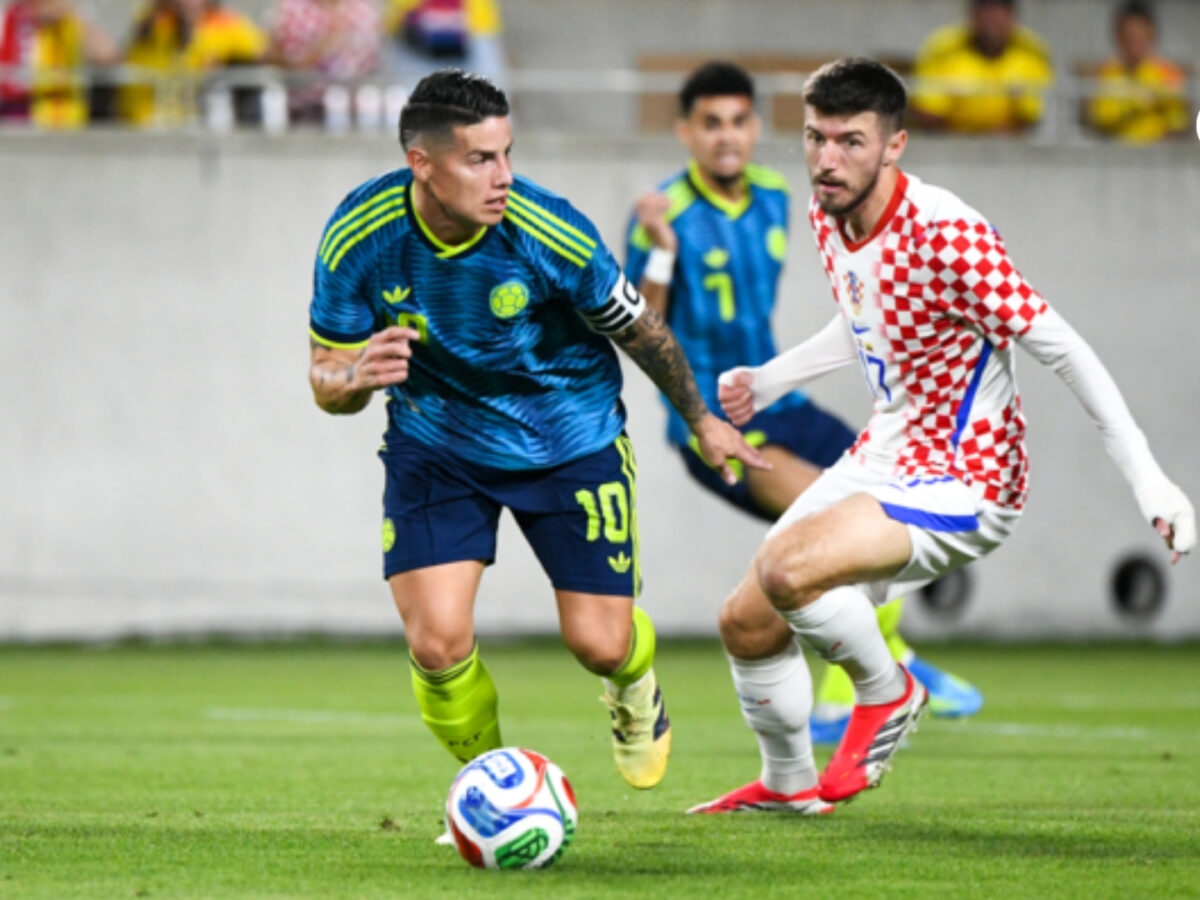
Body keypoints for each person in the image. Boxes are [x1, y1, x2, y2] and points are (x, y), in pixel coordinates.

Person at [690, 57, 1194, 815]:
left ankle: (888, 691)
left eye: (851, 142)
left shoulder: (946, 230)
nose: (827, 160)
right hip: (886, 453)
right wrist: (771, 379)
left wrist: (1147, 476)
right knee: (746, 617)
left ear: (895, 145)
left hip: (969, 475)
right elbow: (866, 317)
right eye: (815, 138)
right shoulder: (829, 208)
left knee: (791, 572)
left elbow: (1061, 345)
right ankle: (789, 785)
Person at [307, 70, 764, 809]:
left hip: (569, 438)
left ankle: (632, 683)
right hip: (437, 444)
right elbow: (325, 377)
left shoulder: (549, 230)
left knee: (600, 645)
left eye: (508, 154)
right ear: (422, 164)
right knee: (436, 643)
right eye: (481, 159)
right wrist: (355, 376)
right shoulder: (360, 236)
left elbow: (639, 330)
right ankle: (490, 789)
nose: (504, 178)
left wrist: (701, 418)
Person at [623, 60, 982, 746]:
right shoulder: (662, 213)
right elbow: (644, 329)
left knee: (897, 494)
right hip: (715, 424)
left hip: (779, 402)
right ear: (685, 133)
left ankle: (893, 663)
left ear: (757, 128)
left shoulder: (778, 196)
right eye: (710, 124)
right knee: (836, 538)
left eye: (737, 121)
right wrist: (663, 253)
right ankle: (842, 701)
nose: (726, 137)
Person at [911, 0, 1053, 134]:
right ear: (971, 13)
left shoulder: (1032, 52)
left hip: (1014, 150)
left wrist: (994, 141)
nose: (992, 16)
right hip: (950, 147)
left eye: (999, 7)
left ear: (1012, 15)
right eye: (984, 7)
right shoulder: (941, 50)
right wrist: (966, 143)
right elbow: (928, 113)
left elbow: (1032, 117)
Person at [121, 0, 265, 127]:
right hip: (150, 120)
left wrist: (225, 64)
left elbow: (260, 53)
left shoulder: (227, 22)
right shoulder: (154, 22)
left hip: (201, 120)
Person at [0, 0, 117, 128]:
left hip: (64, 117)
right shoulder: (12, 13)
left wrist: (72, 16)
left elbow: (106, 55)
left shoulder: (72, 16)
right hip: (15, 113)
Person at [1086, 0, 1189, 144]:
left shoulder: (1168, 73)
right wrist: (1139, 103)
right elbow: (1100, 120)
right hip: (1115, 155)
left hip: (1160, 157)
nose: (1134, 45)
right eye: (1128, 36)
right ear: (1118, 36)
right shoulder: (1106, 73)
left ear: (1152, 34)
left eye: (1139, 37)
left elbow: (1178, 122)